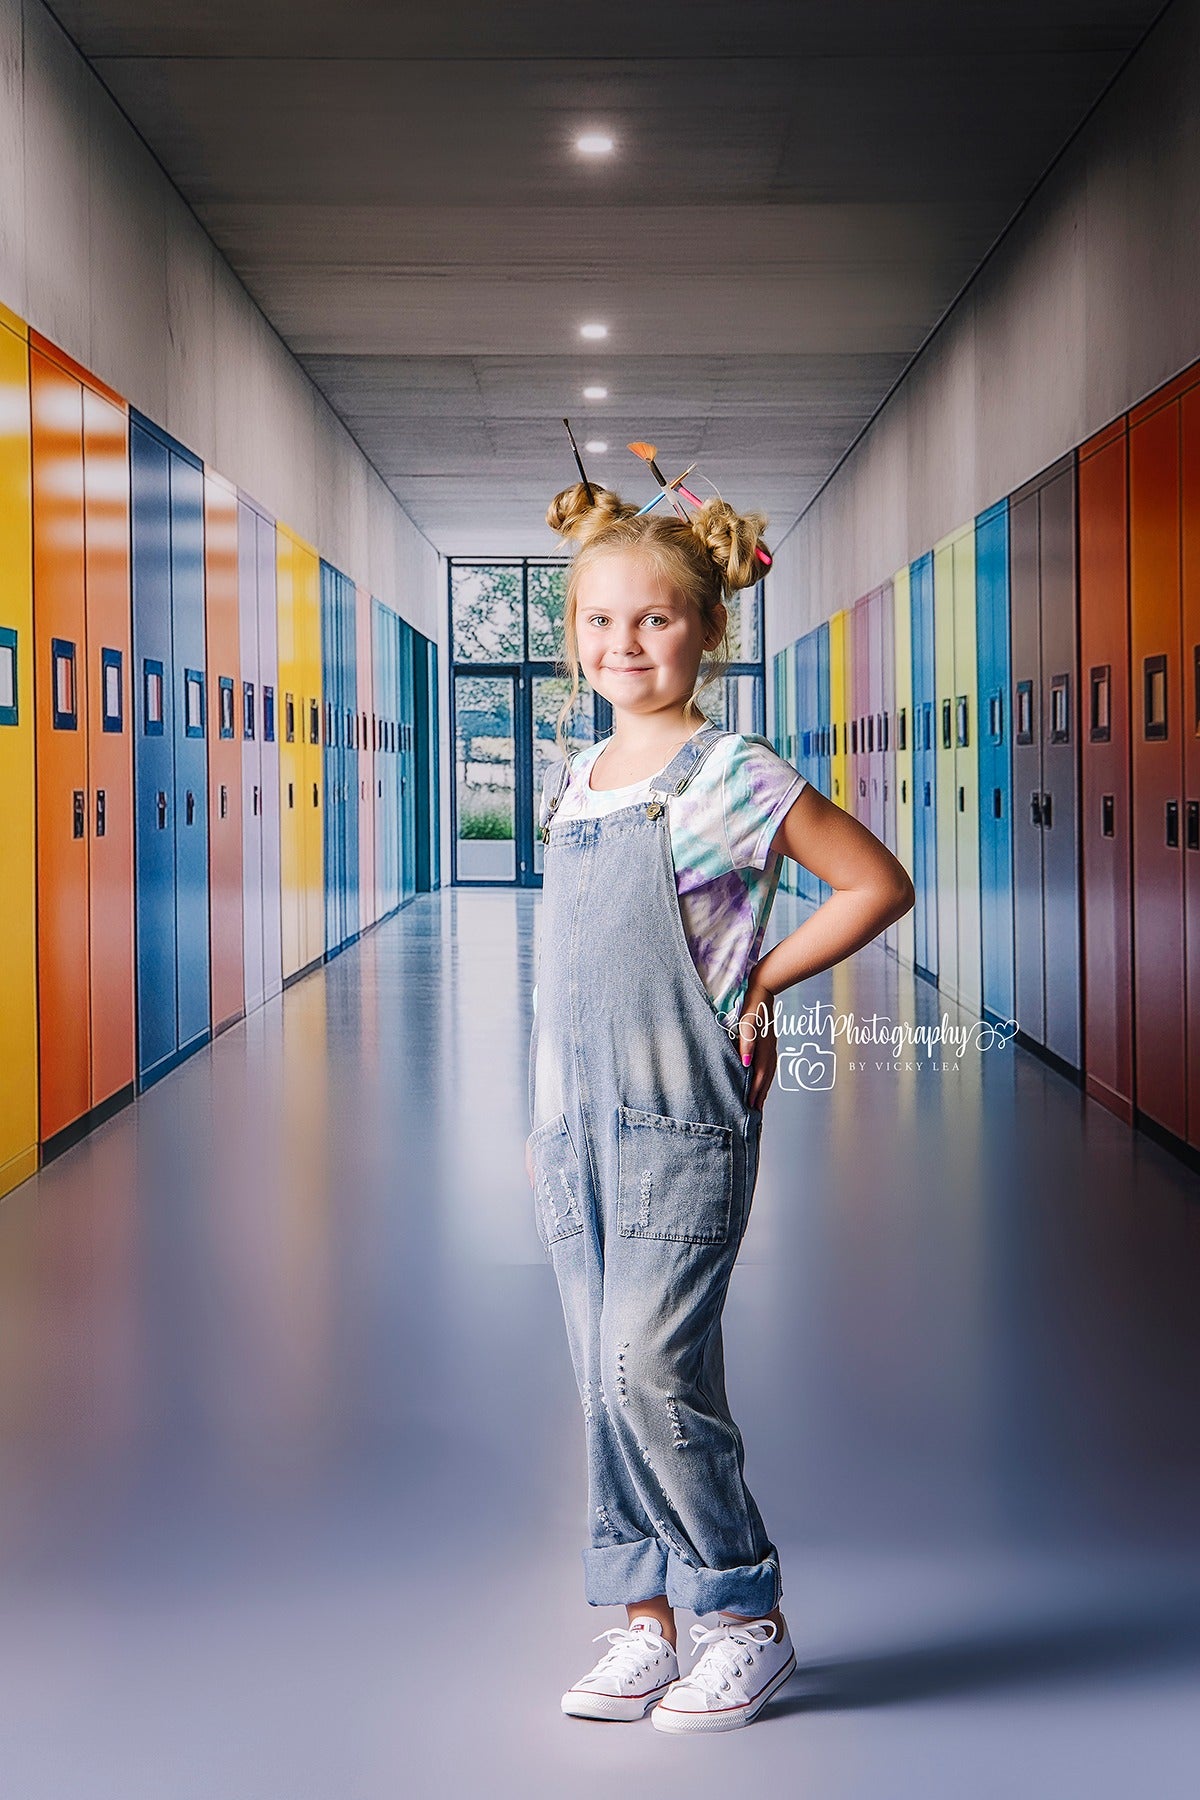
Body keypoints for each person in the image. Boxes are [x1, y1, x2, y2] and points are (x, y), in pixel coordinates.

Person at [526, 475, 914, 1734]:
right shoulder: (578, 773)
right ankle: (643, 1618)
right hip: (570, 1124)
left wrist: (760, 976)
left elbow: (872, 883)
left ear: (706, 630)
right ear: (571, 633)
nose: (623, 646)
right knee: (600, 1374)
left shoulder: (732, 770)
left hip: (682, 1115)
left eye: (654, 620)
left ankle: (743, 1614)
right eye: (599, 622)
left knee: (651, 1365)